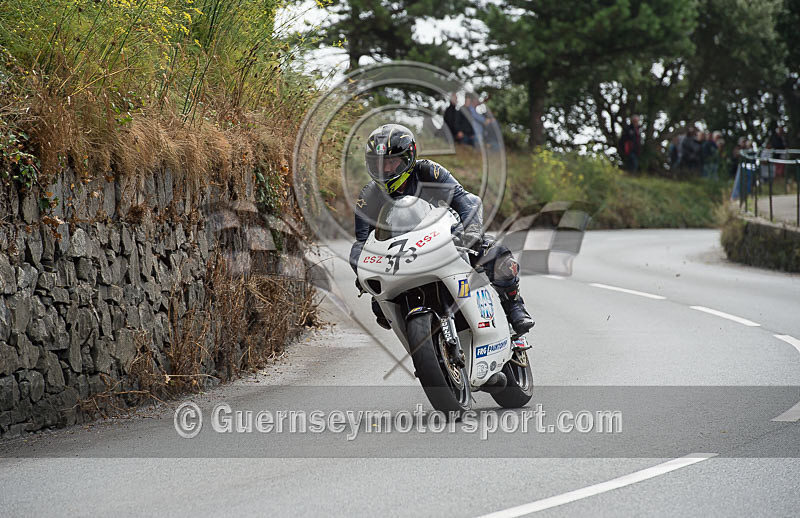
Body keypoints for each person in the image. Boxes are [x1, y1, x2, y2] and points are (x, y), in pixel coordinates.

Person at [350, 124, 535, 336]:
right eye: (380, 164)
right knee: (379, 306)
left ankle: (514, 305)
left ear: (408, 158)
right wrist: (361, 270)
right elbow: (361, 243)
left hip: (444, 239)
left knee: (493, 252)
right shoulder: (368, 196)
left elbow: (467, 201)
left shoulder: (430, 171)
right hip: (400, 256)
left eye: (392, 162)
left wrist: (471, 232)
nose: (387, 170)